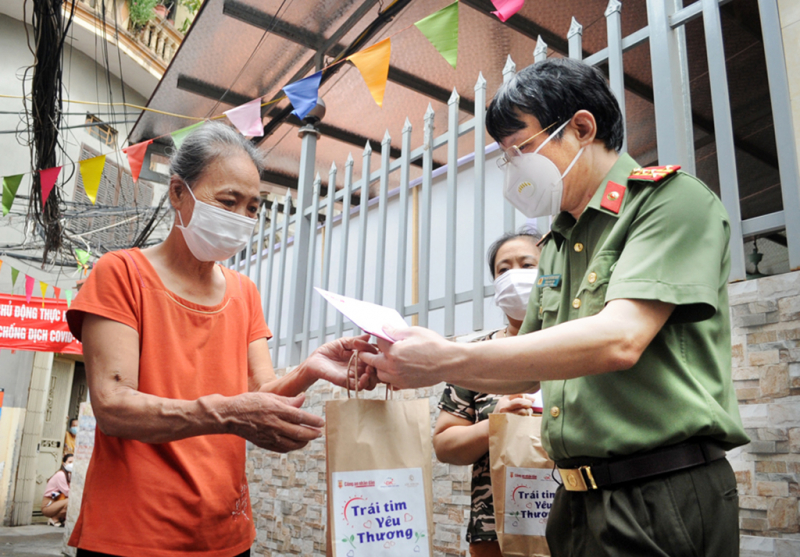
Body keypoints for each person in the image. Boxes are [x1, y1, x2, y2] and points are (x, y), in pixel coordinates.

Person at [361, 58, 749, 556]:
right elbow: (524, 371)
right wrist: (414, 359)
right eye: (506, 156)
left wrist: (444, 357)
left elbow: (620, 339)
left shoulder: (668, 202)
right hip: (574, 498)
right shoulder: (559, 241)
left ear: (582, 128)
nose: (515, 166)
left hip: (659, 490)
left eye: (521, 147)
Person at [65, 122, 377, 557]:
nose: (241, 219)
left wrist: (311, 369)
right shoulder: (121, 274)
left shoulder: (244, 292)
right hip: (133, 534)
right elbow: (114, 406)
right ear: (178, 193)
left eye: (252, 208)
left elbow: (260, 395)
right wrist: (227, 414)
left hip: (225, 534)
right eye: (228, 202)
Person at [433, 232, 543, 557]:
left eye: (527, 265)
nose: (514, 276)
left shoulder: (583, 346)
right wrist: (494, 424)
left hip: (578, 520)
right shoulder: (473, 358)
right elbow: (444, 446)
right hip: (495, 530)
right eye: (503, 269)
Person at [42, 453, 73, 527]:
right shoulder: (61, 474)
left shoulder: (69, 475)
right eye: (70, 462)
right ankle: (54, 519)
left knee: (73, 500)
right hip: (48, 505)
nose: (72, 464)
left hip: (57, 502)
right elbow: (68, 493)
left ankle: (60, 519)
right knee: (71, 501)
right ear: (64, 464)